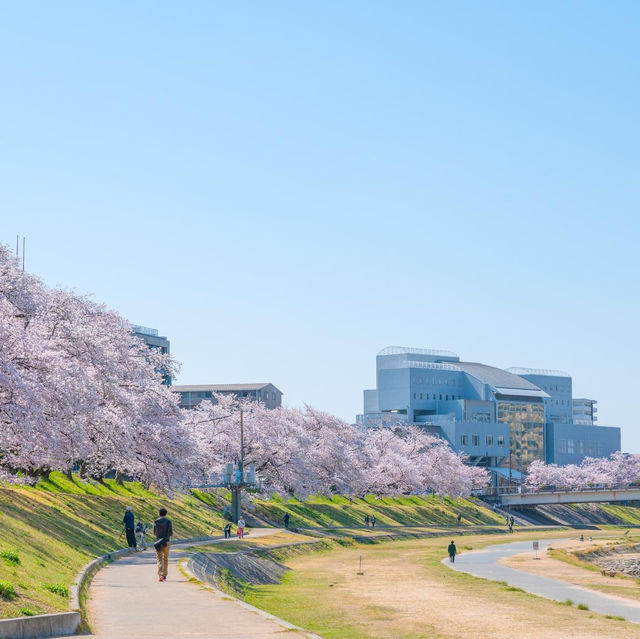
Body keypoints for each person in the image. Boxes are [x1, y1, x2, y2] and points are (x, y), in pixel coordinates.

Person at [154, 507, 173, 582]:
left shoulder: (156, 521)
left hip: (158, 542)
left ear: (159, 513)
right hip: (166, 542)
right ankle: (164, 575)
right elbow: (170, 533)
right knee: (165, 559)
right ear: (166, 514)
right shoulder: (168, 521)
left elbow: (155, 533)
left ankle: (160, 574)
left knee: (159, 559)